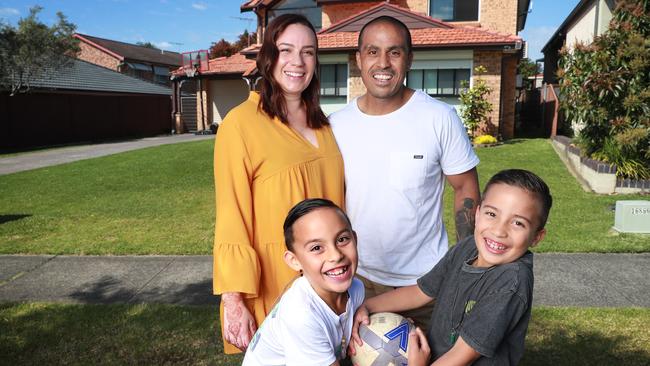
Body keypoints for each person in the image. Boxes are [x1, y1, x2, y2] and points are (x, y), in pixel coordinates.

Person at [329, 16, 480, 328]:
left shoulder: (439, 118)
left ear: (409, 59)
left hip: (426, 284)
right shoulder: (336, 125)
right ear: (358, 59)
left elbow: (465, 189)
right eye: (372, 52)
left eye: (394, 52)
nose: (383, 63)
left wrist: (466, 263)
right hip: (357, 281)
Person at [213, 14, 345, 354]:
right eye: (286, 50)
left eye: (308, 52)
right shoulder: (240, 125)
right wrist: (233, 299)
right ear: (268, 57)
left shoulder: (325, 126)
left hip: (324, 279)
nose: (297, 62)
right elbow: (232, 216)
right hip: (275, 281)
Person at [351, 169, 553, 365]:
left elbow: (462, 355)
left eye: (518, 223)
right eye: (492, 214)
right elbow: (422, 291)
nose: (499, 231)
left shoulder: (510, 282)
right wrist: (369, 306)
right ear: (478, 212)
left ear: (536, 236)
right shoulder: (467, 248)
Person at [243, 198, 364, 366]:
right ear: (294, 260)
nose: (336, 255)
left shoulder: (356, 289)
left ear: (355, 239)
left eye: (342, 239)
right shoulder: (300, 314)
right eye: (316, 248)